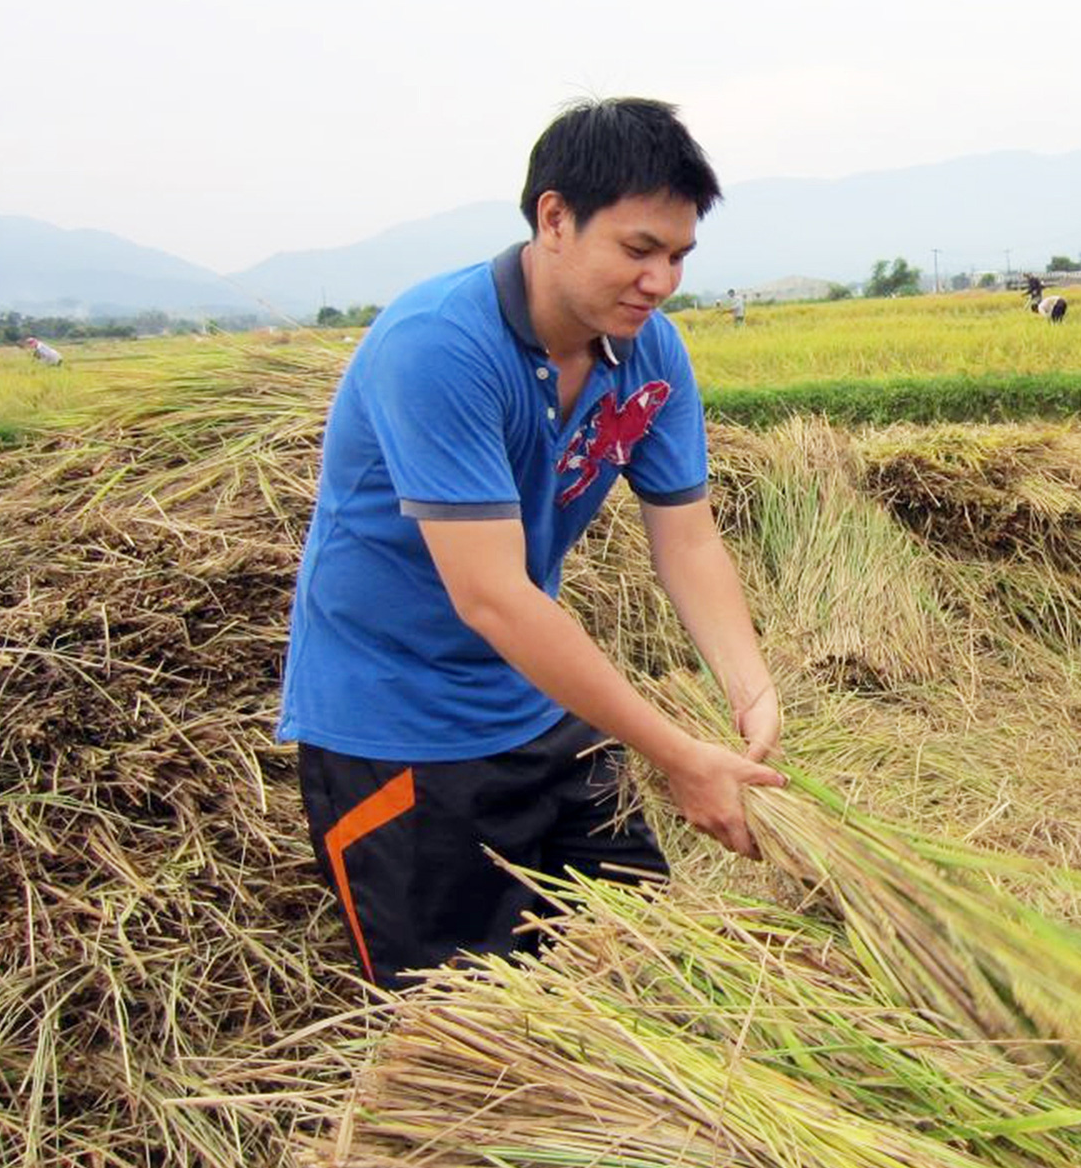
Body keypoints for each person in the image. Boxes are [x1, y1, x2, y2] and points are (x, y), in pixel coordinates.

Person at [277, 98, 785, 988]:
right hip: (402, 734)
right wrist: (676, 755)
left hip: (542, 706)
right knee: (460, 1026)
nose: (662, 280)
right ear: (554, 218)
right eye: (638, 250)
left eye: (678, 256)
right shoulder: (441, 347)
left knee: (635, 973)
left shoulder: (650, 353)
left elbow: (690, 540)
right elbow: (493, 596)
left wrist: (749, 687)